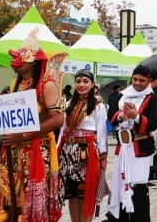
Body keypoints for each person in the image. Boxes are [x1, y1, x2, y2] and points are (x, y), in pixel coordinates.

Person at [0, 28, 65, 222]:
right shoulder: (16, 83)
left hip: (36, 152)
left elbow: (58, 120)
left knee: (30, 200)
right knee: (10, 200)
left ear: (32, 61)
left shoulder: (46, 85)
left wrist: (23, 135)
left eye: (19, 57)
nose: (15, 61)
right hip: (13, 150)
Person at [105, 65, 157, 222]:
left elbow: (155, 123)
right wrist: (122, 115)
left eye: (142, 80)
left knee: (138, 184)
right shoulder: (122, 94)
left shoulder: (152, 97)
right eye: (135, 79)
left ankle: (139, 218)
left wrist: (136, 116)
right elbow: (111, 114)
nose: (137, 83)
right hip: (123, 147)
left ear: (149, 80)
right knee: (121, 182)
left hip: (140, 148)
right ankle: (120, 218)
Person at [58, 69, 109, 222]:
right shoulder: (68, 104)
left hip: (86, 152)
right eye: (78, 81)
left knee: (86, 192)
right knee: (72, 192)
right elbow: (62, 131)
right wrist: (56, 150)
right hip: (67, 152)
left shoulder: (98, 107)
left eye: (85, 81)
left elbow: (102, 133)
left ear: (93, 84)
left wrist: (103, 157)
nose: (81, 84)